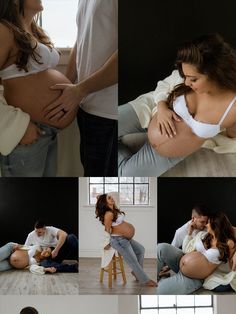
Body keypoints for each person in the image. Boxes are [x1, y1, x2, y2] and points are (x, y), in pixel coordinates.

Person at [118, 33, 236, 177]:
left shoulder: (232, 107)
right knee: (105, 126)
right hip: (150, 110)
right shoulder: (188, 73)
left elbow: (231, 134)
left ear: (215, 73)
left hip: (171, 152)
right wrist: (161, 108)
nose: (186, 83)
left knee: (124, 174)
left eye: (193, 79)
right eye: (185, 77)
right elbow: (163, 85)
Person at [0, 0, 77, 177]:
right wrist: (20, 127)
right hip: (26, 134)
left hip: (47, 133)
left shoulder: (32, 30)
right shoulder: (4, 30)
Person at [44, 0, 118, 177]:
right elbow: (82, 38)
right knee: (91, 173)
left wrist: (80, 90)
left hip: (109, 112)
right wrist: (69, 85)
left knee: (102, 179)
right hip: (86, 107)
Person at [157, 212, 236, 294]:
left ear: (216, 225)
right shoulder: (204, 235)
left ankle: (165, 279)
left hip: (195, 277)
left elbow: (230, 264)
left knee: (159, 290)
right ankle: (159, 275)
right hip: (180, 261)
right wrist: (190, 232)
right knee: (161, 247)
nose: (206, 225)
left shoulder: (229, 243)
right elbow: (186, 250)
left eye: (208, 223)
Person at [95, 194, 157, 287]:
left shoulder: (114, 210)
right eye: (109, 198)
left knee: (141, 250)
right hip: (118, 240)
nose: (112, 198)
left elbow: (112, 199)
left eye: (111, 197)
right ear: (104, 202)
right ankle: (145, 280)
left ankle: (136, 273)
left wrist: (99, 197)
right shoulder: (108, 214)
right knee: (132, 260)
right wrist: (106, 243)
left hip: (124, 239)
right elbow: (107, 229)